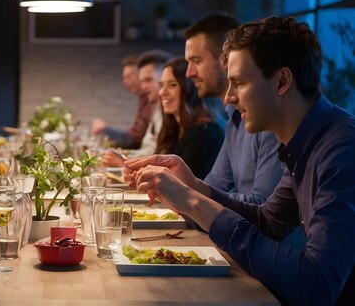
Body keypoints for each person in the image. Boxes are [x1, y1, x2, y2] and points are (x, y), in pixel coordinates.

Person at [125, 16, 355, 305]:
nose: (228, 98)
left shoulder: (342, 148)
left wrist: (195, 202)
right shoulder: (304, 141)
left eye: (239, 83)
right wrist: (196, 187)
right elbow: (267, 221)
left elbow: (317, 286)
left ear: (282, 81)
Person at [184, 13, 283, 203]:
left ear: (224, 60)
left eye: (196, 61)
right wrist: (183, 188)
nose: (189, 73)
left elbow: (263, 208)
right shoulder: (234, 118)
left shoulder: (270, 119)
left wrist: (189, 194)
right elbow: (215, 186)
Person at [153, 57, 223, 179]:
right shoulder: (176, 128)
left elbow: (172, 180)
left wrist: (126, 165)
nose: (162, 92)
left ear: (189, 89)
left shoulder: (204, 132)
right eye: (161, 85)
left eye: (172, 85)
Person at [100, 51, 171, 167]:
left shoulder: (170, 114)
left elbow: (135, 139)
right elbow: (148, 148)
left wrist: (124, 163)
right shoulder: (156, 107)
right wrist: (124, 158)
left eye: (148, 80)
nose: (142, 87)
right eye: (142, 81)